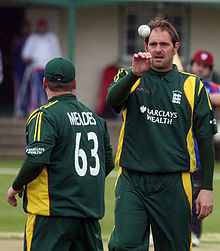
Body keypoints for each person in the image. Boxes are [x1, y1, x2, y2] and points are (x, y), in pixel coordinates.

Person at [106, 17, 217, 251]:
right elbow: (112, 101)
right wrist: (134, 75)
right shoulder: (129, 77)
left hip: (174, 182)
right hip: (132, 180)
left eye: (164, 45)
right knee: (125, 245)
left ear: (175, 48)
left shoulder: (193, 86)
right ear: (145, 47)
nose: (158, 49)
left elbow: (206, 139)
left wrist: (206, 188)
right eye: (153, 44)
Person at [7, 57, 115, 251]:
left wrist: (16, 186)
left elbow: (36, 158)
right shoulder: (97, 120)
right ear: (74, 83)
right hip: (88, 216)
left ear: (44, 83)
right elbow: (107, 163)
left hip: (51, 216)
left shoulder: (44, 115)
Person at [190, 50, 220, 246]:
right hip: (182, 150)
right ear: (192, 65)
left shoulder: (211, 87)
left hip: (202, 151)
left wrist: (199, 93)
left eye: (204, 66)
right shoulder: (184, 82)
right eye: (198, 65)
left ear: (209, 70)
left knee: (197, 196)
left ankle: (194, 233)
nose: (200, 69)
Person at [21, 18, 61, 115]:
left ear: (46, 26)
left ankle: (49, 113)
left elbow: (58, 55)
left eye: (43, 25)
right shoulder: (33, 38)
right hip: (35, 70)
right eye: (40, 26)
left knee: (50, 91)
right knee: (36, 92)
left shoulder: (52, 37)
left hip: (49, 70)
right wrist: (33, 58)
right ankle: (34, 112)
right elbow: (25, 55)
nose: (42, 28)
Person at [11, 20, 31, 117]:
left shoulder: (32, 39)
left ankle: (28, 108)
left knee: (30, 88)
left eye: (27, 27)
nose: (26, 29)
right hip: (19, 67)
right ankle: (18, 109)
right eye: (24, 27)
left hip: (29, 67)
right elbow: (14, 54)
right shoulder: (18, 39)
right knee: (19, 87)